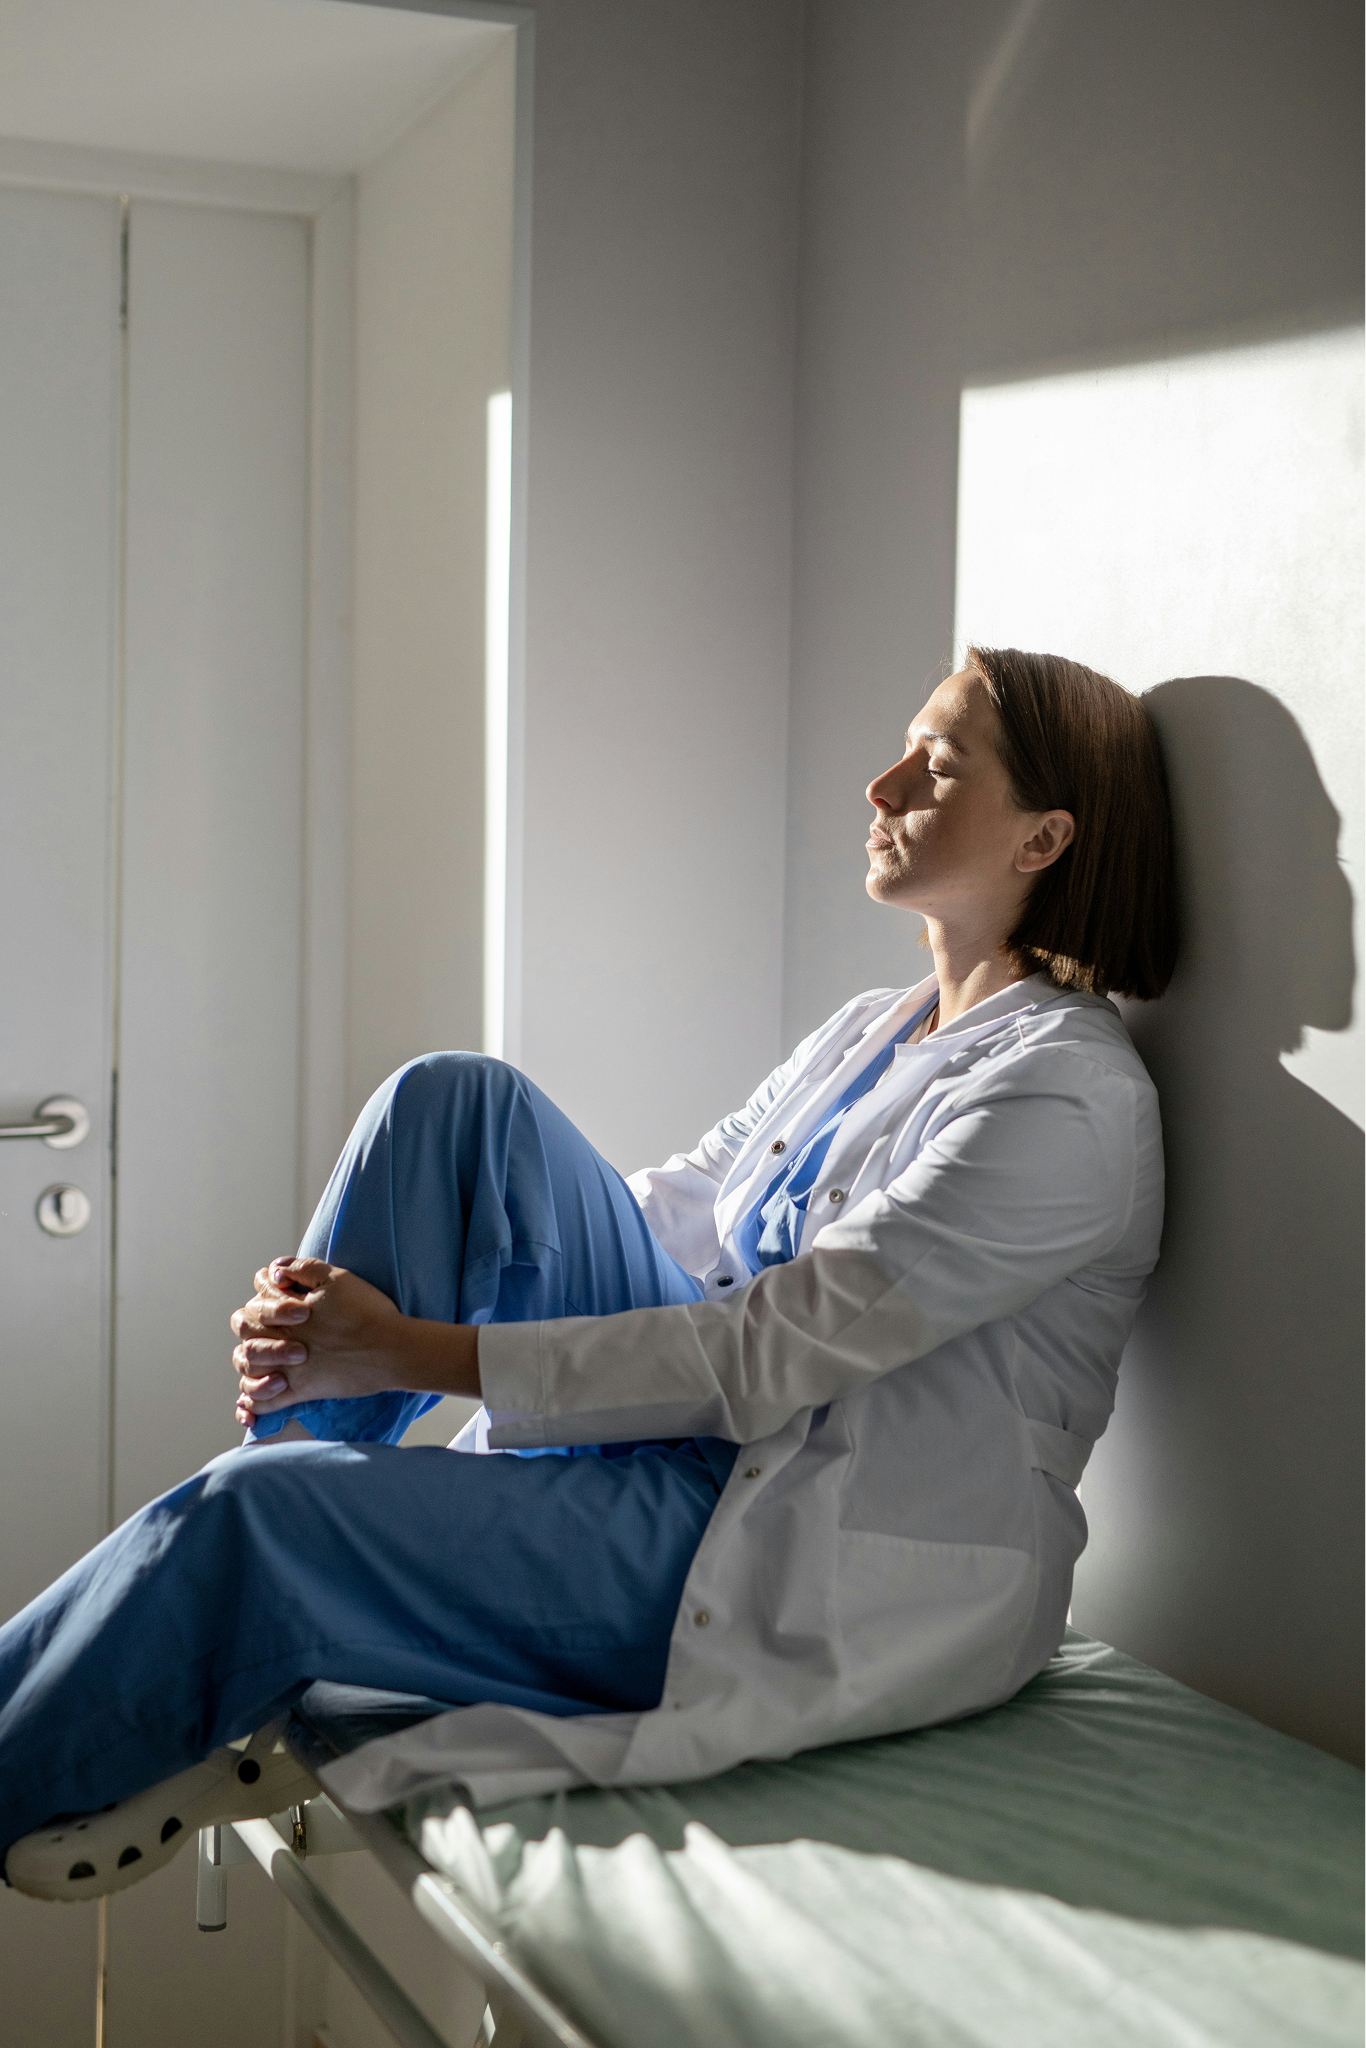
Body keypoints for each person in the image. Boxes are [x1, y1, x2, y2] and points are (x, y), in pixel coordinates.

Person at [1, 645, 1175, 1902]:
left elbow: (766, 1351)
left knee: (253, 1522)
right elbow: (669, 1212)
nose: (880, 784)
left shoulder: (1063, 1097)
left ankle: (230, 1550)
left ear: (1041, 840)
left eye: (932, 766)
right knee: (453, 1100)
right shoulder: (874, 1030)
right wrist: (342, 1312)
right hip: (692, 1453)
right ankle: (287, 1448)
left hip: (785, 1543)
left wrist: (402, 1348)